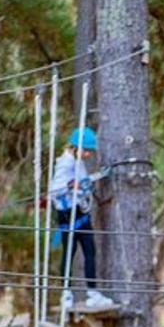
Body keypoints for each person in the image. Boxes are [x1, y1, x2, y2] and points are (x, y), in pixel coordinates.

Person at [50, 126, 112, 309]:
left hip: (79, 212)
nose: (87, 155)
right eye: (86, 150)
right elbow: (55, 190)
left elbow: (83, 182)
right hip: (67, 213)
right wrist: (71, 186)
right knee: (69, 253)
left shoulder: (78, 163)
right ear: (75, 147)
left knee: (90, 251)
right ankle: (66, 294)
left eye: (89, 151)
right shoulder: (65, 163)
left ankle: (92, 292)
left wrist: (96, 178)